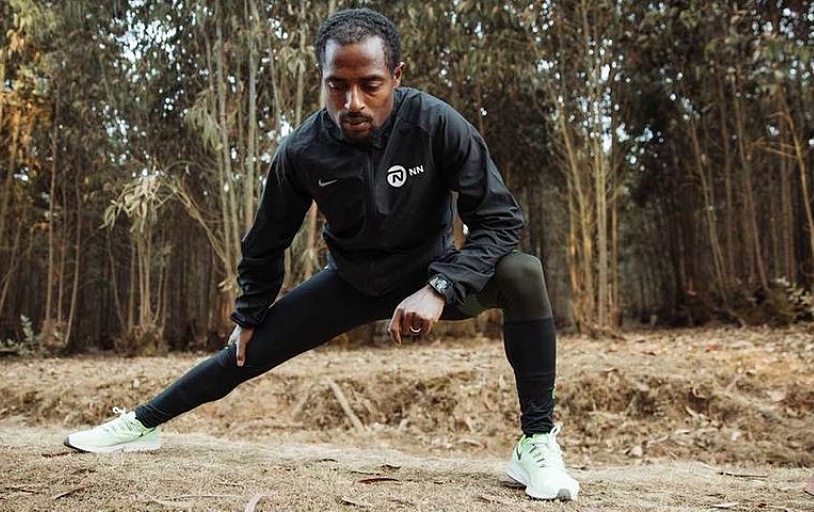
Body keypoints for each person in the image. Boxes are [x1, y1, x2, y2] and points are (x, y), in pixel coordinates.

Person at [64, 8, 580, 501]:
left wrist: (440, 287)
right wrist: (249, 314)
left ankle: (534, 442)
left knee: (523, 272)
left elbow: (500, 220)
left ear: (396, 76)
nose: (353, 102)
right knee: (240, 354)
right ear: (323, 80)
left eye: (370, 85)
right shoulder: (303, 150)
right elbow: (267, 240)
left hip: (431, 277)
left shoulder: (435, 125)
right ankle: (141, 423)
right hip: (351, 283)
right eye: (337, 85)